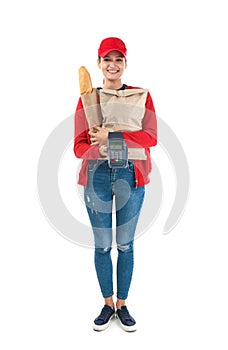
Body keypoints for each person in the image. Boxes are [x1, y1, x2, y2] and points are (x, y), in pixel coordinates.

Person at [74, 37, 157, 332]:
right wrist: (100, 148)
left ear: (125, 64)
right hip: (96, 176)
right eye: (107, 59)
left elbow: (151, 138)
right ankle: (107, 303)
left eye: (118, 59)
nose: (113, 64)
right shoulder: (88, 99)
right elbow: (79, 147)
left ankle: (122, 305)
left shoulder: (140, 97)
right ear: (99, 64)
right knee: (101, 247)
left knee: (125, 245)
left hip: (130, 177)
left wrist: (112, 138)